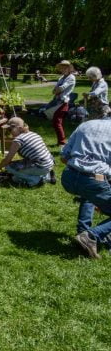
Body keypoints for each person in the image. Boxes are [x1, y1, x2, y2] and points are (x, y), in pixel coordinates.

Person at [60, 102, 111, 259]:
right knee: (92, 190)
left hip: (68, 176)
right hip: (94, 180)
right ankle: (91, 235)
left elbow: (64, 156)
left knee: (88, 194)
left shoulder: (86, 124)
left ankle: (82, 232)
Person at [0, 117, 55, 186]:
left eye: (10, 129)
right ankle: (46, 176)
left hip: (41, 166)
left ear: (19, 128)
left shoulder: (18, 140)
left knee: (8, 167)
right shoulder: (33, 134)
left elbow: (7, 159)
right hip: (49, 163)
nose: (9, 132)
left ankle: (35, 180)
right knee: (15, 178)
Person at [49, 60, 76, 145]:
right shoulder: (61, 77)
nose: (63, 69)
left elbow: (61, 88)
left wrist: (57, 90)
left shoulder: (71, 77)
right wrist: (56, 90)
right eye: (61, 67)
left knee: (57, 121)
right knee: (55, 122)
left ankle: (62, 142)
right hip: (57, 101)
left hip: (63, 102)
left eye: (65, 67)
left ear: (69, 68)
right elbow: (54, 90)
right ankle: (61, 141)